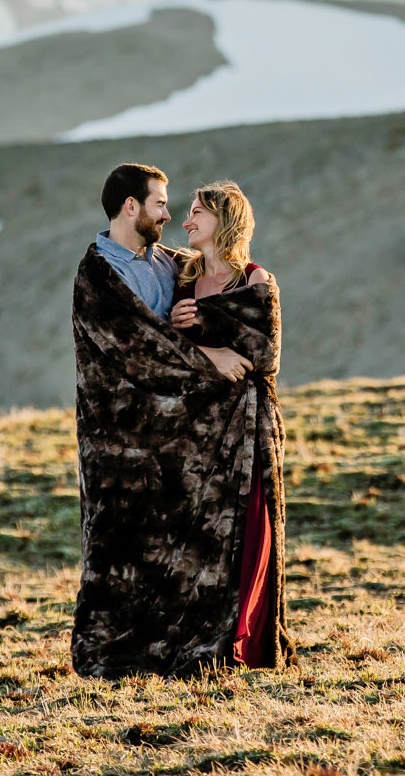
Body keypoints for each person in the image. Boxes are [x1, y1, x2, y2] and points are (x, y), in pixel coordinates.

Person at [69, 164, 293, 677]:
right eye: (162, 206)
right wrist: (209, 353)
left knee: (191, 546)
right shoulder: (99, 277)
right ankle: (124, 650)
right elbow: (142, 348)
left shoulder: (171, 266)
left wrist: (203, 331)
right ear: (132, 207)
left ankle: (214, 641)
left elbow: (261, 347)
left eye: (189, 210)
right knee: (124, 551)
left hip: (191, 444)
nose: (172, 217)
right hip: (121, 443)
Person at [169, 181, 282, 667]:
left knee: (252, 531)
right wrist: (189, 336)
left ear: (224, 218)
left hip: (248, 425)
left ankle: (247, 642)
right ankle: (200, 641)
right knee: (200, 535)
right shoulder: (182, 283)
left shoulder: (257, 282)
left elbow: (267, 356)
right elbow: (168, 353)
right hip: (198, 430)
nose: (187, 220)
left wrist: (217, 337)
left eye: (196, 212)